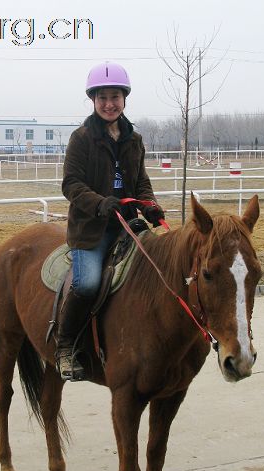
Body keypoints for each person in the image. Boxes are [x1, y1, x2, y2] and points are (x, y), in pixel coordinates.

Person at [57, 61, 166, 381]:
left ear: (124, 98)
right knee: (87, 283)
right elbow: (71, 184)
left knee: (158, 272)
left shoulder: (135, 140)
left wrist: (151, 206)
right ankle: (66, 345)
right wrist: (100, 203)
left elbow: (141, 181)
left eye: (115, 96)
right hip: (91, 229)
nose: (109, 103)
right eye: (102, 97)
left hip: (128, 224)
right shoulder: (81, 139)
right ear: (93, 100)